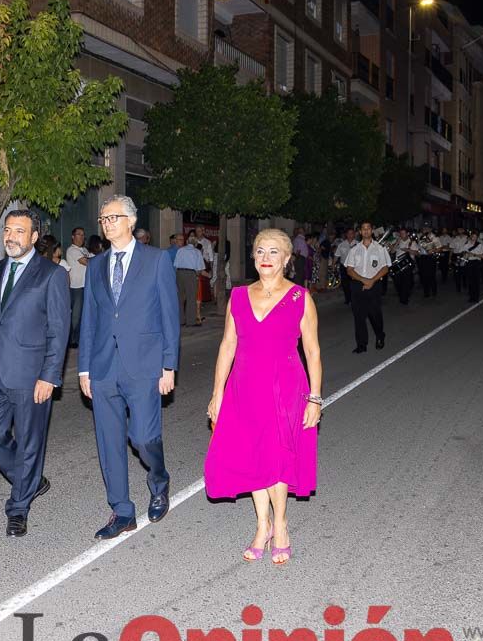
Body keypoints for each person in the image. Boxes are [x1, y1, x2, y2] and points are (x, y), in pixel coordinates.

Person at [204, 228, 321, 565]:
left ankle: (280, 524)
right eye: (260, 251)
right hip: (244, 387)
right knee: (253, 456)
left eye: (274, 252)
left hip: (285, 387)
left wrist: (315, 398)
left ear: (287, 258)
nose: (266, 258)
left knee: (277, 456)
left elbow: (312, 352)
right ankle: (262, 525)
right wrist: (217, 393)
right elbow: (228, 346)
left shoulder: (300, 297)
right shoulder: (239, 295)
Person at [79, 195, 179, 540]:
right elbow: (89, 319)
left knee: (142, 436)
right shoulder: (96, 266)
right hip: (104, 366)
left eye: (113, 217)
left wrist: (169, 366)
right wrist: (83, 369)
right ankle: (122, 511)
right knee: (109, 441)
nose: (107, 223)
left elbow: (169, 315)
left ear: (131, 221)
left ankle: (159, 479)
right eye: (103, 219)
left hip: (145, 364)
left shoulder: (156, 260)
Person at [0, 210, 70, 538]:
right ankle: (31, 480)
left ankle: (19, 507)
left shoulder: (52, 275)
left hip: (31, 375)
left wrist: (49, 376)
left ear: (34, 238)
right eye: (8, 230)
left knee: (29, 442)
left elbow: (59, 330)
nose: (10, 236)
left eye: (19, 231)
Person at [344, 221, 390, 354]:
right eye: (363, 229)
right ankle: (361, 344)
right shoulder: (354, 249)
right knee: (359, 317)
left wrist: (371, 281)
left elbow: (385, 267)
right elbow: (349, 270)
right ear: (360, 231)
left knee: (374, 314)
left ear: (372, 230)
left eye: (368, 228)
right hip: (358, 285)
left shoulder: (380, 249)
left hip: (374, 284)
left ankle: (380, 335)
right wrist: (364, 280)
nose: (365, 231)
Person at [65, 227, 90, 348]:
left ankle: (79, 339)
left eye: (83, 234)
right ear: (73, 236)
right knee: (75, 315)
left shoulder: (84, 249)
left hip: (85, 286)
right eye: (79, 234)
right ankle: (71, 339)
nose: (82, 237)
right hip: (76, 286)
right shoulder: (72, 250)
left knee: (82, 314)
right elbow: (86, 261)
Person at [173, 230, 206, 326]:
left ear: (187, 242)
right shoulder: (197, 252)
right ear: (195, 244)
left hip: (180, 273)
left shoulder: (180, 250)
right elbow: (199, 269)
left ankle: (180, 320)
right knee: (191, 298)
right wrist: (196, 275)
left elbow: (176, 264)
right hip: (191, 274)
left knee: (180, 298)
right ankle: (190, 321)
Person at [390, 228, 418, 305]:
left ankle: (404, 298)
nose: (402, 235)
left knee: (406, 282)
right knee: (397, 282)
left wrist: (408, 250)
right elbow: (392, 251)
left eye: (403, 233)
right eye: (401, 233)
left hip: (407, 264)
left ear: (407, 233)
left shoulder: (412, 242)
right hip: (398, 264)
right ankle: (402, 294)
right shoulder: (398, 241)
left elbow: (416, 253)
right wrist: (397, 243)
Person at [462, 230, 483, 303]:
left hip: (476, 263)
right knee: (470, 281)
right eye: (473, 237)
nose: (474, 238)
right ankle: (471, 297)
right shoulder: (466, 245)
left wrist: (474, 255)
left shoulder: (480, 245)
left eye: (476, 237)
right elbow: (464, 255)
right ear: (471, 237)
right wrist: (465, 255)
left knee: (476, 281)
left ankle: (476, 297)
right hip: (469, 263)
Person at [334, 228, 356, 305]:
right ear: (346, 235)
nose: (350, 235)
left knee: (354, 284)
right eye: (349, 233)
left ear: (354, 234)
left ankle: (354, 299)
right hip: (344, 267)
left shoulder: (358, 244)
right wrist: (333, 265)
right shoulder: (341, 245)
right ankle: (348, 299)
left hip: (354, 268)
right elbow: (336, 255)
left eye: (352, 233)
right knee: (345, 284)